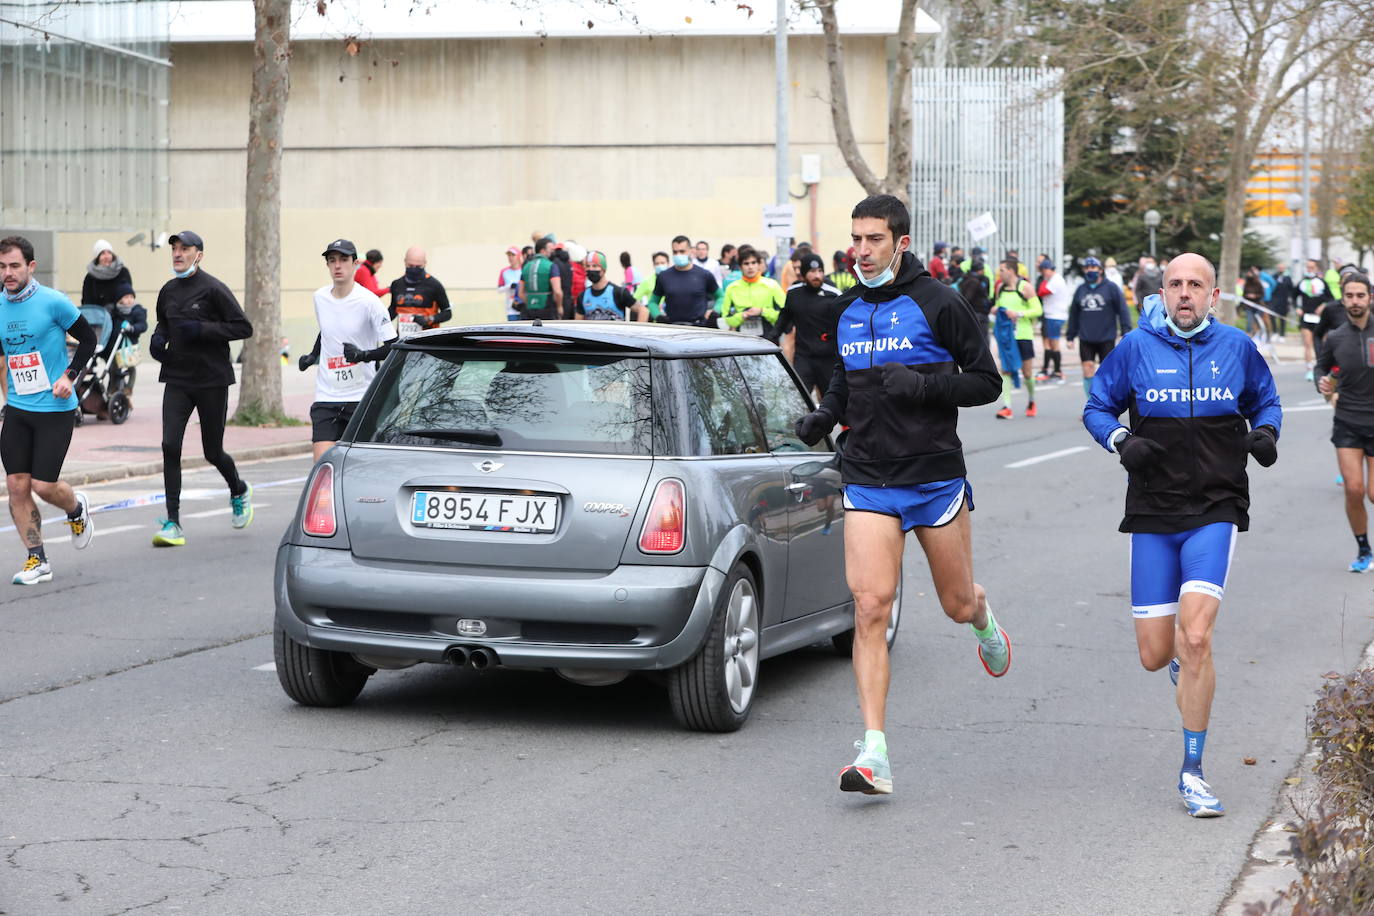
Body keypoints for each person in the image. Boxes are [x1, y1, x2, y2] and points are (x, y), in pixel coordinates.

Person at [792, 195, 1006, 796]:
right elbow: (843, 377)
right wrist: (824, 415)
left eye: (874, 240)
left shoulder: (939, 302)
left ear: (901, 242)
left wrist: (923, 384)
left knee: (955, 604)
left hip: (933, 478)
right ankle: (875, 753)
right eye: (855, 239)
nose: (860, 252)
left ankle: (982, 615)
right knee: (870, 607)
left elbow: (986, 382)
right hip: (867, 476)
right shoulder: (849, 305)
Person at [1083, 253, 1281, 817]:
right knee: (1154, 655)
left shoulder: (1237, 347)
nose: (1185, 293)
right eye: (1176, 284)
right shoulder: (1134, 349)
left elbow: (1266, 400)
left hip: (1216, 506)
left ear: (1214, 295)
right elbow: (1096, 408)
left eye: (1196, 285)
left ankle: (1192, 772)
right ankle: (1177, 663)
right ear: (1161, 292)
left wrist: (1265, 432)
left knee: (1196, 638)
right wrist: (1122, 441)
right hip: (1152, 509)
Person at [0, 236, 98, 584]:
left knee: (43, 485)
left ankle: (75, 508)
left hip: (55, 409)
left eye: (14, 266)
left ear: (30, 266)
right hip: (18, 410)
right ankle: (37, 559)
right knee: (16, 485)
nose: (7, 273)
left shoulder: (53, 302)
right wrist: (6, 401)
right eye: (2, 267)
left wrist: (70, 376)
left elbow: (89, 340)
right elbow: (3, 359)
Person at [148, 230, 255, 547]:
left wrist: (202, 329)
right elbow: (164, 324)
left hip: (212, 380)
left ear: (199, 254)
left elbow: (243, 327)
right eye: (175, 249)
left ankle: (238, 489)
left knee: (212, 451)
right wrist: (157, 340)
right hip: (178, 379)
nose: (178, 254)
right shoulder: (168, 291)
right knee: (170, 445)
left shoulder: (213, 289)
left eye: (185, 249)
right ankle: (173, 522)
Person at [298, 239, 396, 462]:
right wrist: (313, 355)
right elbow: (326, 330)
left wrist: (363, 356)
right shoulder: (320, 297)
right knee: (322, 465)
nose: (337, 266)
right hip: (327, 395)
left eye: (343, 260)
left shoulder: (369, 302)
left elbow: (392, 346)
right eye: (332, 261)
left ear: (355, 264)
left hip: (360, 397)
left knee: (357, 466)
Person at [1317, 274, 1374, 571]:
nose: (1354, 301)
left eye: (1360, 295)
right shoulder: (1337, 337)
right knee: (1353, 489)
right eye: (1349, 296)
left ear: (1370, 298)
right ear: (1344, 299)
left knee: (1373, 493)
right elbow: (1322, 368)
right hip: (1348, 421)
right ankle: (1364, 550)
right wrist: (1323, 384)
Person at [775, 250, 842, 397]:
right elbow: (785, 317)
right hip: (803, 357)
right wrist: (773, 337)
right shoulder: (793, 293)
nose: (817, 275)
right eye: (812, 271)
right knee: (798, 398)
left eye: (820, 271)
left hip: (827, 359)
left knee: (832, 400)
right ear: (804, 273)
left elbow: (844, 325)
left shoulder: (833, 294)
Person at [1066, 256, 1131, 396]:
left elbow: (1123, 310)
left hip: (1106, 336)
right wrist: (1070, 336)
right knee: (1087, 368)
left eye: (1093, 268)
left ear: (1100, 270)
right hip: (1086, 337)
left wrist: (1125, 330)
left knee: (1106, 371)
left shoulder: (1111, 288)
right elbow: (1074, 314)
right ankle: (1091, 404)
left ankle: (1106, 402)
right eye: (1087, 268)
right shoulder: (1081, 290)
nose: (1090, 270)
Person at [991, 259, 1041, 418]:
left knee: (1027, 372)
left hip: (1023, 334)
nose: (1000, 273)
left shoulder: (1025, 287)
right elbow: (999, 304)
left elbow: (1038, 309)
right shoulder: (1000, 288)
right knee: (1005, 369)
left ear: (1011, 271)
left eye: (1002, 270)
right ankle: (1007, 406)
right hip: (1006, 336)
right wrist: (996, 308)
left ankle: (1032, 400)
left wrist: (1018, 314)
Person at [649, 235, 720, 326]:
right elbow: (653, 302)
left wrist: (715, 312)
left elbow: (720, 296)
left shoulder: (704, 275)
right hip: (673, 328)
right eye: (675, 252)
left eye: (682, 251)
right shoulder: (664, 276)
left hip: (698, 328)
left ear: (690, 251)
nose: (678, 255)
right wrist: (658, 316)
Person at [719, 244, 785, 336]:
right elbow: (725, 318)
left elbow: (785, 315)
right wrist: (742, 316)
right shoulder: (732, 288)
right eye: (746, 263)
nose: (750, 267)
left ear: (758, 265)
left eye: (753, 263)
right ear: (740, 267)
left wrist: (762, 311)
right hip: (741, 338)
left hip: (768, 336)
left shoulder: (772, 285)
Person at [388, 246, 451, 336]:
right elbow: (393, 310)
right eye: (410, 266)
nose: (414, 269)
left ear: (425, 263)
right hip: (403, 339)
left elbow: (447, 313)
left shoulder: (434, 285)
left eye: (418, 266)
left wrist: (429, 319)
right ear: (405, 262)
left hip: (427, 340)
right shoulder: (397, 284)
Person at [577, 251, 645, 321]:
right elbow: (578, 324)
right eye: (588, 266)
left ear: (603, 269)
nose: (590, 269)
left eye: (595, 266)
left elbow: (643, 311)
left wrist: (637, 331)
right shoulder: (582, 296)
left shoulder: (618, 292)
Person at [1035, 257, 1070, 382]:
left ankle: (1058, 371)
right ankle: (1054, 369)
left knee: (1054, 344)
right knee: (1051, 343)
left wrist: (1044, 281)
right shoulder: (1053, 279)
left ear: (1047, 270)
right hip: (1052, 315)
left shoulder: (1055, 280)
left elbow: (1042, 291)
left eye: (1043, 271)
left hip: (1055, 316)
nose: (1043, 274)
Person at [1297, 259, 1332, 379]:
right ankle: (1309, 369)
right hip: (1306, 318)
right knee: (1307, 343)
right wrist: (1297, 308)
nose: (1309, 269)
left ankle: (1321, 367)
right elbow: (1293, 296)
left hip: (1320, 319)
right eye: (1307, 267)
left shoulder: (1322, 282)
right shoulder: (1301, 282)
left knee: (1321, 345)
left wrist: (1322, 306)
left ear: (1316, 269)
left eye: (1311, 267)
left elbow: (1330, 298)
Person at [518, 236, 562, 321]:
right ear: (542, 251)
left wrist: (531, 302)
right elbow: (558, 292)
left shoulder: (526, 266)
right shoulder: (551, 266)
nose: (553, 252)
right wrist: (560, 307)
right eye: (551, 250)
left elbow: (520, 293)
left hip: (529, 310)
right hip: (548, 309)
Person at [81, 239, 134, 307]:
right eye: (102, 253)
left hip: (120, 314)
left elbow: (128, 295)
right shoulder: (90, 277)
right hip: (98, 315)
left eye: (109, 253)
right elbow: (86, 302)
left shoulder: (123, 272)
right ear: (97, 257)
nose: (107, 256)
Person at [635, 251, 670, 317]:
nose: (660, 266)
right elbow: (635, 299)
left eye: (662, 263)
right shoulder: (647, 281)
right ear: (654, 265)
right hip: (655, 319)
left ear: (668, 263)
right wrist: (647, 308)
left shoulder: (674, 279)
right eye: (657, 264)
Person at [498, 246, 523, 321]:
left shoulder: (524, 270)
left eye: (513, 255)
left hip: (523, 307)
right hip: (511, 309)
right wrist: (509, 286)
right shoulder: (504, 271)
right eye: (509, 255)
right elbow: (499, 289)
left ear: (518, 256)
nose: (510, 257)